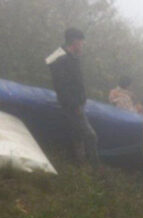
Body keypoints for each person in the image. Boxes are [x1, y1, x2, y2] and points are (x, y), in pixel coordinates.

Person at [46, 28, 99, 167]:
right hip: (72, 104)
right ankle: (95, 168)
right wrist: (75, 105)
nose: (82, 45)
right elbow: (63, 86)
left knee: (77, 135)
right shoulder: (62, 60)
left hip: (76, 103)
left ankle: (80, 165)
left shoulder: (71, 57)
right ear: (74, 42)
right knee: (90, 136)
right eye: (81, 42)